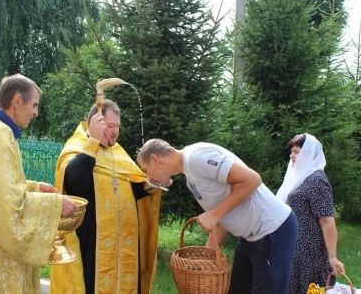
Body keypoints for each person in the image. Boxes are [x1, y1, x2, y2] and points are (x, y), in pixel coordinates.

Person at [0, 74, 78, 294]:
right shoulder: (0, 136)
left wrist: (35, 187)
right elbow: (3, 206)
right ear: (16, 101)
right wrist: (54, 204)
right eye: (34, 105)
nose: (36, 112)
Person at [137, 139, 298, 294]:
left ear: (155, 159)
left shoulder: (196, 158)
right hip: (249, 238)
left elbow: (252, 179)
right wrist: (206, 259)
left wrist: (214, 214)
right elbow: (221, 221)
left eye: (145, 170)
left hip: (274, 230)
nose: (149, 178)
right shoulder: (190, 178)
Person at [49, 99, 162, 294]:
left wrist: (150, 186)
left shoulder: (118, 153)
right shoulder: (78, 147)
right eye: (110, 126)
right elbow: (74, 182)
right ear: (95, 124)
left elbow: (130, 188)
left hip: (123, 243)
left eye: (117, 126)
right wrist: (92, 142)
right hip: (91, 241)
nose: (115, 132)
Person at [276, 133, 345, 294]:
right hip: (295, 247)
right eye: (292, 151)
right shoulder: (299, 178)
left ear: (308, 154)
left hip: (310, 252)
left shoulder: (316, 180)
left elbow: (327, 221)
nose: (291, 155)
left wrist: (333, 257)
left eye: (296, 151)